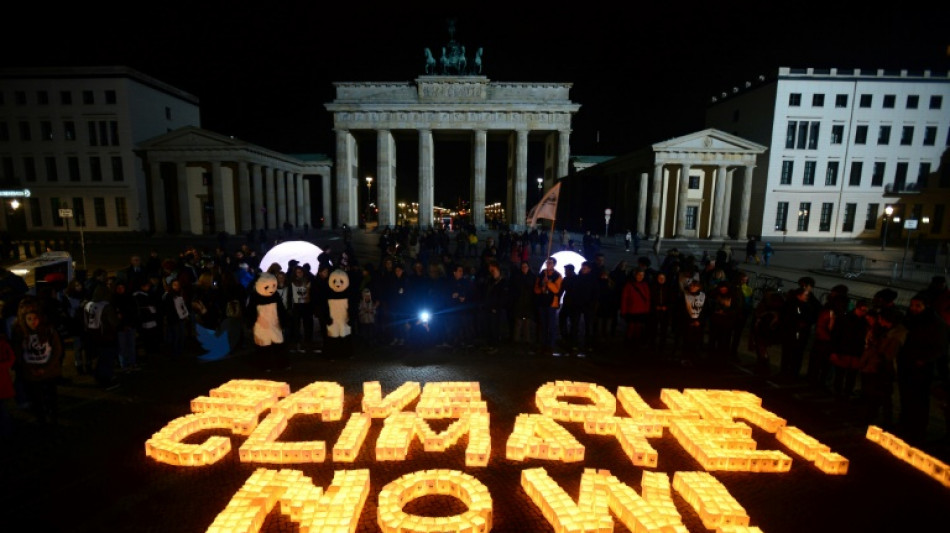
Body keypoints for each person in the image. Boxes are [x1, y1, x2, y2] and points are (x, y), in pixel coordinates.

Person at [896, 292, 948, 444]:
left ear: (926, 306)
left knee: (919, 398)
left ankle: (918, 429)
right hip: (907, 363)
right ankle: (905, 423)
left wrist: (924, 360)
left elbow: (940, 347)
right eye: (912, 305)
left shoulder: (935, 323)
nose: (914, 308)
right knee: (906, 395)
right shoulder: (911, 319)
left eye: (918, 306)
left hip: (922, 368)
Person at [12, 298, 64, 424]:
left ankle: (54, 417)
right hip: (31, 372)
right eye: (29, 319)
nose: (33, 322)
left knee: (52, 396)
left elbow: (57, 349)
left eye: (35, 318)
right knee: (36, 398)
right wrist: (29, 369)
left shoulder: (48, 329)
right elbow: (18, 353)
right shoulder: (20, 332)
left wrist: (46, 368)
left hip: (48, 371)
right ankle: (41, 418)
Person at [534, 257, 563, 356]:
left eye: (550, 263)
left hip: (551, 304)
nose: (548, 264)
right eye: (547, 262)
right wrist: (541, 288)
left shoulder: (557, 275)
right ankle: (543, 344)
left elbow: (557, 290)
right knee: (543, 325)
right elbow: (536, 288)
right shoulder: (542, 274)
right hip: (542, 303)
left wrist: (549, 283)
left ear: (554, 264)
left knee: (551, 325)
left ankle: (550, 346)